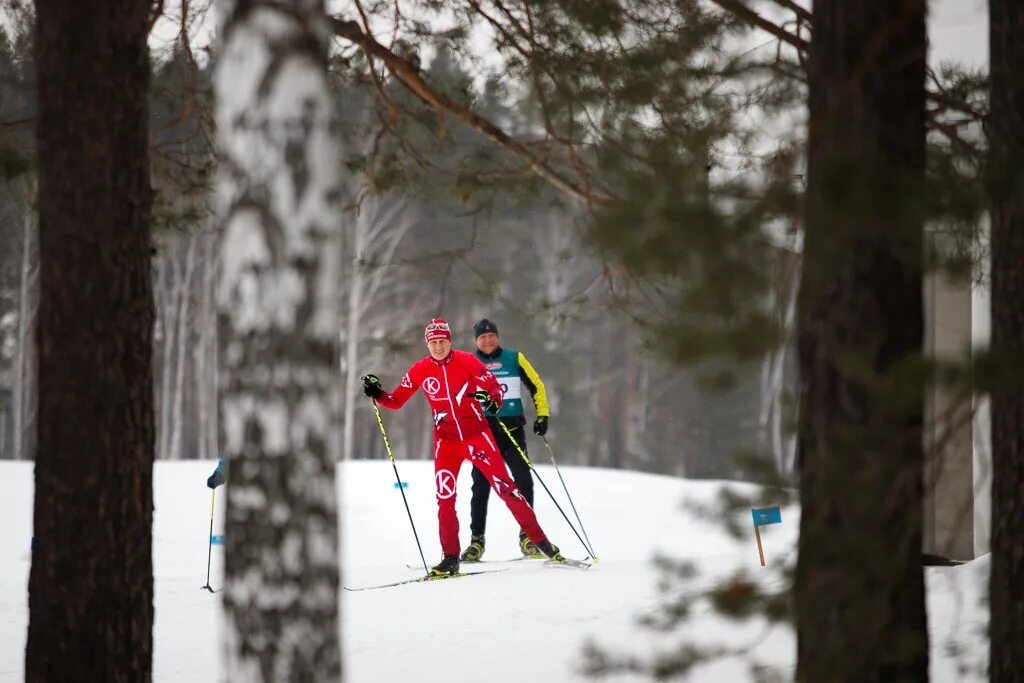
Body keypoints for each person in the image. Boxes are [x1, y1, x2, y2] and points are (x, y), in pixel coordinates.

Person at [362, 317, 566, 577]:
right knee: (445, 499)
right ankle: (450, 557)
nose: (438, 347)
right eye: (433, 342)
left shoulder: (468, 361)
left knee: (507, 489)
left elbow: (494, 389)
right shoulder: (420, 369)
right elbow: (395, 401)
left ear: (450, 341)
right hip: (446, 443)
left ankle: (542, 543)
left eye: (442, 341)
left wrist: (492, 400)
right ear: (427, 344)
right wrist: (377, 392)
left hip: (477, 437)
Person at [461, 318, 550, 562]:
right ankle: (476, 541)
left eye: (491, 335)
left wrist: (542, 415)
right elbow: (459, 395)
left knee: (523, 481)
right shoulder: (469, 362)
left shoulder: (514, 358)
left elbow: (536, 385)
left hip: (511, 430)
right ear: (476, 341)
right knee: (480, 486)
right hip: (482, 433)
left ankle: (527, 537)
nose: (487, 340)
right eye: (482, 337)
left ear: (497, 337)